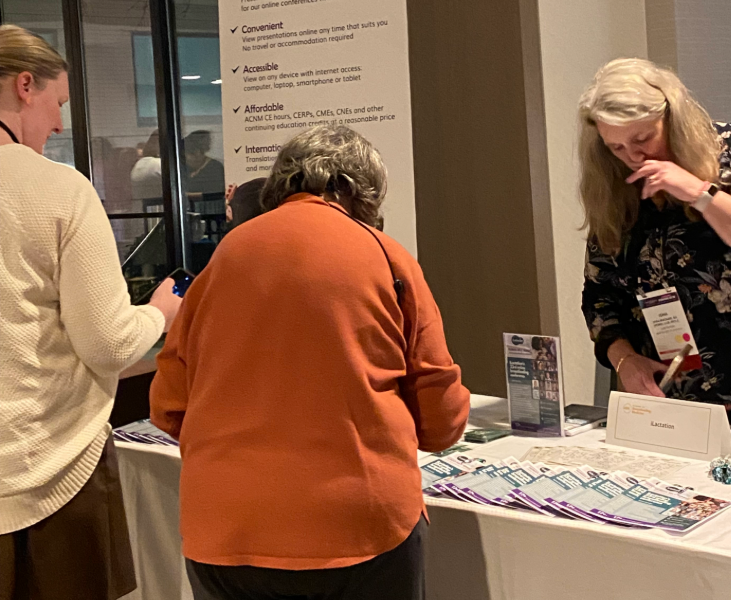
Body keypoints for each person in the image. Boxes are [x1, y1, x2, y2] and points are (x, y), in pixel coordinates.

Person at [150, 125, 471, 600]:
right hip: (359, 529)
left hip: (225, 528)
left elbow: (167, 405)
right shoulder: (387, 258)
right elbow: (441, 420)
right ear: (361, 191)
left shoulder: (221, 260)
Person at [0, 25, 183, 600]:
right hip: (48, 470)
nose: (58, 125)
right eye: (57, 103)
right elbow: (107, 343)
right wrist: (160, 312)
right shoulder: (58, 189)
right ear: (24, 86)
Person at [579, 58, 731, 425]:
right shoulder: (616, 185)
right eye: (616, 147)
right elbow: (600, 294)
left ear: (672, 118)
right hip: (668, 405)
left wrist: (700, 193)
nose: (633, 157)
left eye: (642, 139)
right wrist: (624, 360)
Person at [184, 130, 225, 196]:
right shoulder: (181, 168)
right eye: (191, 153)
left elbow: (217, 194)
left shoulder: (215, 167)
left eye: (201, 152)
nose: (197, 156)